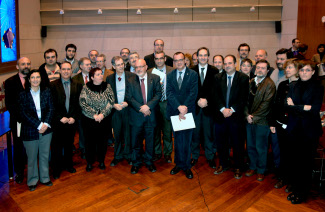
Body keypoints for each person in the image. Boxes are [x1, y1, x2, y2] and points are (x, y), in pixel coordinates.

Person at [285, 60, 324, 204]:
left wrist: (295, 107)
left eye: (307, 70)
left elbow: (314, 109)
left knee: (306, 164)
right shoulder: (293, 85)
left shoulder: (318, 87)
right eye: (301, 70)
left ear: (313, 72)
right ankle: (295, 188)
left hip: (309, 131)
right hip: (294, 129)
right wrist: (303, 108)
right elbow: (287, 106)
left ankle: (302, 194)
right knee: (295, 161)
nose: (304, 73)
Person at [213, 55, 249, 179]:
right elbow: (215, 96)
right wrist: (223, 109)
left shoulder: (243, 78)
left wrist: (232, 110)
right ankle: (223, 164)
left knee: (237, 143)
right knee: (221, 143)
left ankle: (238, 167)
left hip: (236, 117)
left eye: (230, 63)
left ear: (235, 64)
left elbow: (244, 98)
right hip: (221, 116)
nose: (227, 65)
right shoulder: (217, 77)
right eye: (225, 63)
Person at [19, 69, 54, 191]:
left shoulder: (46, 91)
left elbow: (51, 108)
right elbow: (24, 114)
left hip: (46, 129)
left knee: (44, 155)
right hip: (30, 129)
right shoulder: (23, 94)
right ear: (28, 80)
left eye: (37, 77)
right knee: (32, 157)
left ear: (41, 79)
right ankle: (32, 180)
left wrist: (46, 124)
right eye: (32, 77)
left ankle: (45, 178)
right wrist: (39, 125)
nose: (35, 80)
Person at [126, 59, 162, 174]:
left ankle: (149, 162)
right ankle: (136, 163)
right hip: (136, 116)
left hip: (150, 115)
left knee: (150, 142)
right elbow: (129, 97)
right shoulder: (130, 80)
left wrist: (148, 107)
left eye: (141, 66)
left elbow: (158, 94)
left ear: (146, 67)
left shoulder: (155, 78)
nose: (139, 69)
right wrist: (142, 108)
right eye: (136, 67)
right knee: (136, 142)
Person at [167, 52, 198, 179]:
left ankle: (186, 166)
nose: (178, 62)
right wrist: (179, 107)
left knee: (187, 140)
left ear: (185, 61)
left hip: (188, 112)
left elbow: (193, 93)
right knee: (178, 140)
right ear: (173, 62)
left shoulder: (193, 74)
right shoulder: (170, 75)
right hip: (175, 112)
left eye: (181, 60)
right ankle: (178, 164)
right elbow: (169, 93)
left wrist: (184, 107)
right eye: (176, 60)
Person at [50, 61, 82, 179]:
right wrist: (59, 118)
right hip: (58, 122)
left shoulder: (78, 84)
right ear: (60, 71)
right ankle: (56, 169)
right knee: (56, 147)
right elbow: (51, 105)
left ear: (71, 70)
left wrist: (74, 117)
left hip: (71, 121)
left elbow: (79, 104)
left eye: (68, 69)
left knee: (69, 145)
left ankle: (69, 165)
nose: (66, 71)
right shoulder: (52, 85)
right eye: (64, 69)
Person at [270, 59, 299, 189]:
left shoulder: (301, 85)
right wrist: (273, 122)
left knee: (293, 153)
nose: (287, 70)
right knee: (282, 152)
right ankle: (282, 177)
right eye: (287, 68)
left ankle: (293, 180)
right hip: (280, 124)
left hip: (294, 125)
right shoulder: (282, 85)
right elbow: (276, 105)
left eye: (290, 67)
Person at [245, 59, 276, 181]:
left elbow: (266, 104)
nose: (260, 70)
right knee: (250, 145)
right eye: (258, 68)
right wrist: (247, 115)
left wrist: (254, 117)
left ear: (267, 71)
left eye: (263, 68)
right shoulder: (251, 82)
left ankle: (261, 169)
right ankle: (252, 166)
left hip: (262, 121)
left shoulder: (270, 84)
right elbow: (245, 101)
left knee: (261, 147)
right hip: (249, 120)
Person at [79, 67, 114, 172]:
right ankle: (89, 162)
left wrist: (102, 114)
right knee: (90, 142)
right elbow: (82, 103)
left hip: (104, 120)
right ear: (92, 77)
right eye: (98, 74)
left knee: (102, 142)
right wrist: (94, 115)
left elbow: (111, 101)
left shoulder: (107, 86)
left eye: (101, 74)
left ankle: (101, 161)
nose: (101, 76)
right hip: (90, 120)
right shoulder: (86, 87)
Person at [191, 47, 219, 169]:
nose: (203, 57)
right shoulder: (191, 71)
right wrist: (198, 100)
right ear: (197, 57)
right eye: (200, 55)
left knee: (209, 135)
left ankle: (210, 157)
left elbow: (216, 90)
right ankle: (195, 156)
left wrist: (206, 100)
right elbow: (190, 89)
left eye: (205, 55)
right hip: (196, 108)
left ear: (208, 57)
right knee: (195, 135)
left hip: (209, 108)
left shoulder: (214, 71)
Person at [4, 57, 31, 184]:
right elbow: (9, 104)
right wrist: (22, 117)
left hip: (32, 122)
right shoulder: (10, 82)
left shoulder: (34, 79)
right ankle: (19, 172)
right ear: (17, 66)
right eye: (23, 64)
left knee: (31, 145)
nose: (26, 66)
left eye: (28, 64)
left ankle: (31, 169)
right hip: (18, 121)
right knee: (19, 146)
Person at [106, 56, 135, 166]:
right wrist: (113, 104)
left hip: (128, 109)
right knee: (117, 135)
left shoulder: (131, 76)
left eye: (122, 64)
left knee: (128, 134)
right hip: (116, 110)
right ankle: (117, 156)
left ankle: (128, 155)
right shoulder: (109, 78)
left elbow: (134, 92)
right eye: (118, 65)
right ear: (113, 66)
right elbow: (107, 94)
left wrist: (128, 102)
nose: (121, 66)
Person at [148, 51, 174, 163]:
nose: (159, 60)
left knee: (167, 130)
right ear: (154, 60)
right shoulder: (149, 72)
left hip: (167, 103)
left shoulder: (172, 71)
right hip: (154, 104)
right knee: (155, 129)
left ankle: (168, 153)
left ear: (165, 59)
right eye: (156, 58)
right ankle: (157, 152)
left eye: (161, 58)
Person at [73, 57, 91, 159]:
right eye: (87, 64)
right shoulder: (75, 79)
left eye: (90, 64)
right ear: (81, 66)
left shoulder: (94, 76)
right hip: (81, 111)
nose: (89, 66)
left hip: (93, 111)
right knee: (82, 131)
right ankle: (83, 150)